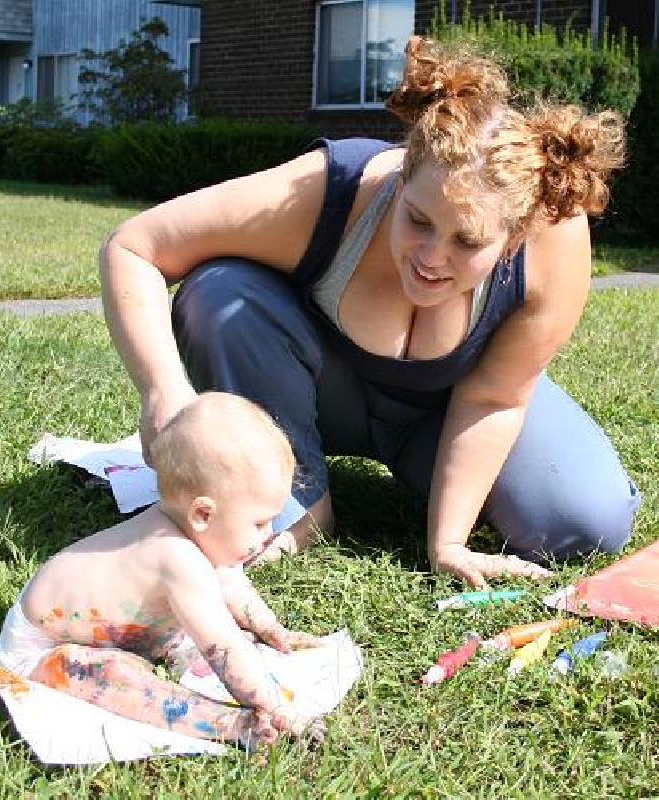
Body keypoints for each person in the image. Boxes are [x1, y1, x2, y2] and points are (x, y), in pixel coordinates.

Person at [99, 36, 641, 589]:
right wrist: (162, 389)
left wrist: (447, 543)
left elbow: (495, 398)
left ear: (513, 237)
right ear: (401, 179)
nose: (432, 258)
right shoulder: (326, 190)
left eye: (467, 240)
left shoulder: (553, 238)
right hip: (313, 389)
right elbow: (134, 245)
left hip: (449, 412)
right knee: (220, 294)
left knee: (586, 522)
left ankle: (440, 492)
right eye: (420, 220)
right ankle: (301, 507)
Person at [0, 392, 325, 748]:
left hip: (128, 637)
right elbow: (222, 646)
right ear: (203, 514)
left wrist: (268, 627)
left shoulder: (198, 535)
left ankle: (199, 675)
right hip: (43, 652)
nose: (272, 532)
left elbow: (231, 582)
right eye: (260, 523)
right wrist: (276, 707)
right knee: (115, 679)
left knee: (212, 644)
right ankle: (231, 725)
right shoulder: (176, 557)